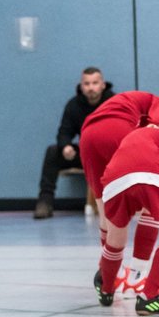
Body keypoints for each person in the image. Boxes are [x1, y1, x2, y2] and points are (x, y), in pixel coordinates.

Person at [79, 90, 159, 293]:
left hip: (87, 138)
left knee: (106, 216)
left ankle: (111, 275)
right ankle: (138, 274)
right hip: (118, 132)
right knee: (152, 202)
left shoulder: (129, 107)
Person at [93, 118, 159, 315]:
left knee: (115, 239)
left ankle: (106, 289)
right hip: (149, 173)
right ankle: (149, 296)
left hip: (111, 181)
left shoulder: (133, 135)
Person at [34, 67, 114, 219]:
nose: (91, 87)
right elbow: (64, 131)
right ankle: (45, 202)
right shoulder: (73, 105)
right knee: (52, 152)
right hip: (86, 155)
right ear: (81, 86)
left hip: (110, 156)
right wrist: (66, 146)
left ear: (103, 84)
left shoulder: (114, 102)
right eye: (87, 83)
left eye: (95, 83)